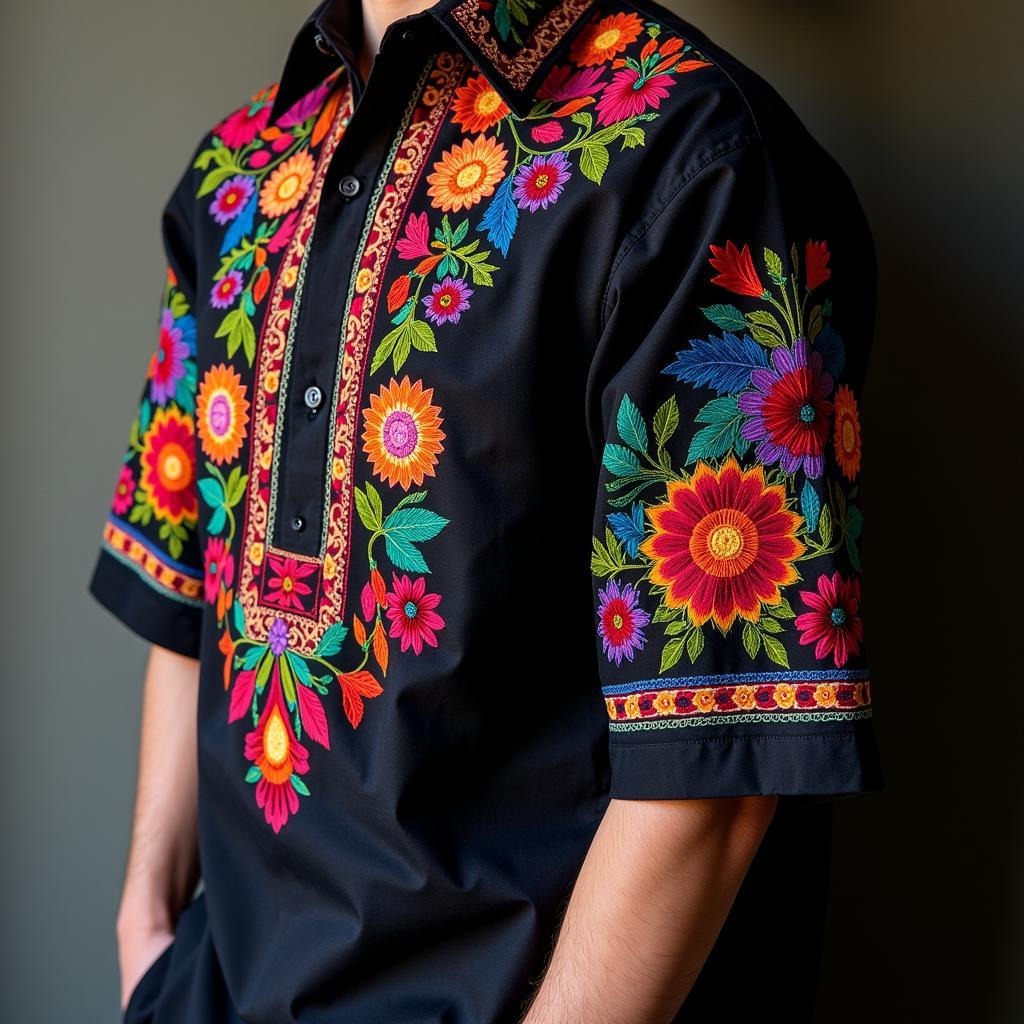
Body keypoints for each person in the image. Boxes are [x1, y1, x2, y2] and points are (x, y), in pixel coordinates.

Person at [88, 0, 883, 1020]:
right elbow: (188, 584)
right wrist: (143, 929)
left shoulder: (697, 158)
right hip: (211, 990)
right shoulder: (238, 166)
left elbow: (716, 767)